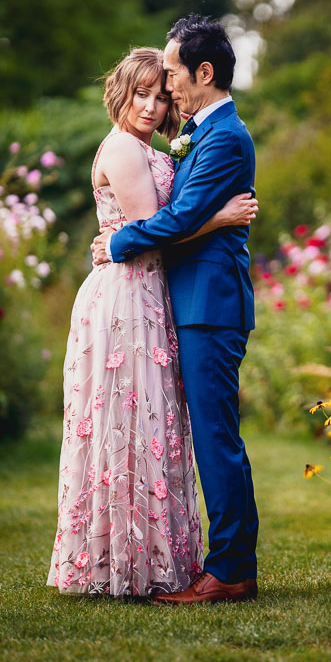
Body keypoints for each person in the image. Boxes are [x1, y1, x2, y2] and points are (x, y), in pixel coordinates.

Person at [47, 46, 257, 598]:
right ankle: (127, 560)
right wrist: (219, 217)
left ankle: (212, 565)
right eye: (143, 92)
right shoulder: (126, 148)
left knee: (170, 432)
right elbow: (162, 223)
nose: (154, 103)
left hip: (173, 298)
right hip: (131, 297)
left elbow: (169, 221)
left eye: (162, 93)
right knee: (136, 427)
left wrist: (124, 240)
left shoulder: (209, 137)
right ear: (121, 91)